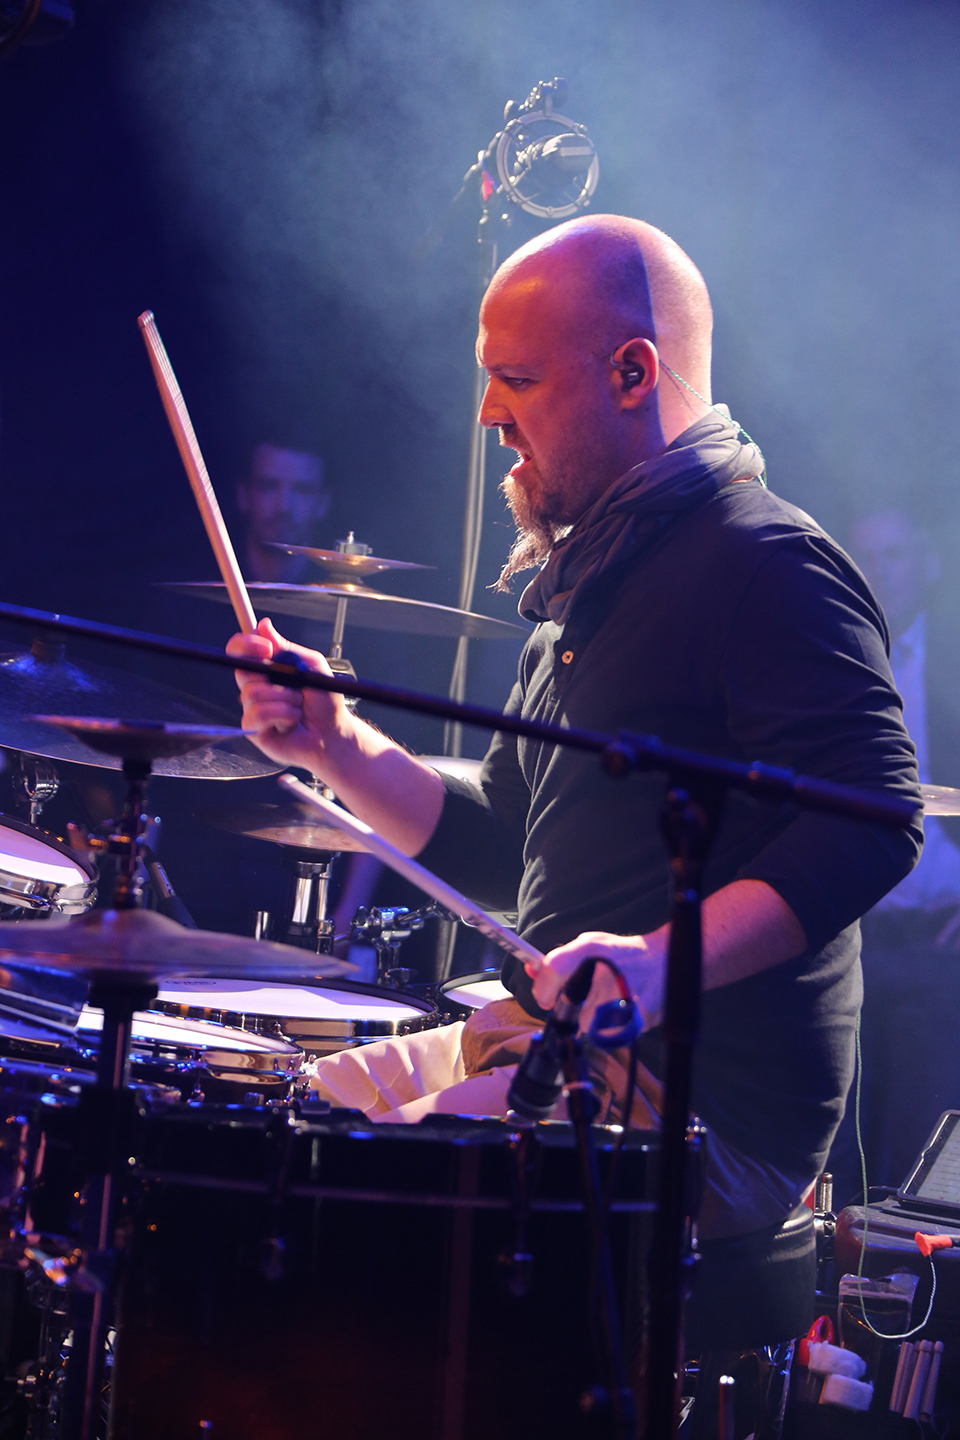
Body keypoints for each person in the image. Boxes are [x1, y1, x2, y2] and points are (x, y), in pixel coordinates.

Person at [227, 214, 921, 1241]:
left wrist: (655, 963)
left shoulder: (768, 563)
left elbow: (875, 819)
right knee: (253, 1138)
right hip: (553, 1045)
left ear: (632, 373)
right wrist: (334, 744)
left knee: (331, 1208)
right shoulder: (588, 583)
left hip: (700, 1111)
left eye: (517, 380)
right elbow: (507, 846)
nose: (488, 415)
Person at [827, 509, 960, 1202]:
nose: (881, 574)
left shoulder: (951, 659)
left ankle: (904, 1267)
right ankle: (833, 1263)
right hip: (852, 931)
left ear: (929, 564)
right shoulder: (837, 656)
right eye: (868, 558)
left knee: (919, 1141)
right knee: (837, 1133)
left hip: (941, 941)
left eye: (897, 556)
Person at [236, 441, 330, 584]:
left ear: (323, 502)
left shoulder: (338, 592)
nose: (283, 507)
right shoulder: (202, 570)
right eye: (269, 486)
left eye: (302, 489)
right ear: (243, 494)